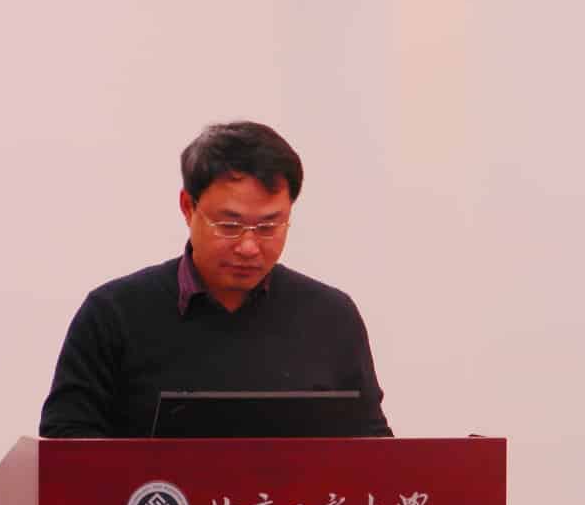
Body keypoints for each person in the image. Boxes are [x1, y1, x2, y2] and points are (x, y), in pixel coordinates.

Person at [39, 121, 392, 438]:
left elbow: (373, 448)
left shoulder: (331, 317)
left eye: (269, 226)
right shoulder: (112, 314)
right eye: (229, 225)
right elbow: (66, 443)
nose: (249, 247)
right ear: (188, 207)